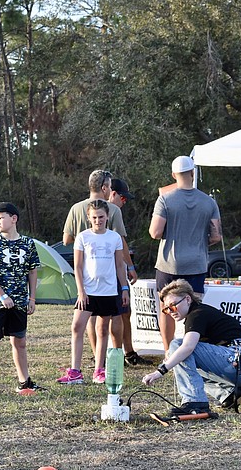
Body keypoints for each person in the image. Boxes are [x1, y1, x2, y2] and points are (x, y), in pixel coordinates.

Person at [142, 279, 241, 415]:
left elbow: (187, 347)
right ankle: (230, 394)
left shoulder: (197, 314)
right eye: (166, 309)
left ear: (187, 299)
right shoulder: (199, 313)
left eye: (173, 305)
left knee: (178, 345)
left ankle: (194, 402)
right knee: (183, 359)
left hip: (238, 362)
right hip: (240, 363)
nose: (170, 311)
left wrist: (159, 371)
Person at [63, 169, 132, 381]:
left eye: (101, 217)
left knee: (103, 327)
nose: (98, 220)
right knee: (79, 325)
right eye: (94, 217)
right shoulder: (83, 237)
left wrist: (124, 287)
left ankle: (100, 369)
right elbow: (76, 261)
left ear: (106, 217)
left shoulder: (113, 237)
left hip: (109, 288)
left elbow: (120, 263)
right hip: (88, 288)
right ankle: (75, 370)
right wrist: (81, 290)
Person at [149, 155, 222, 355]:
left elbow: (155, 232)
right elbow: (216, 236)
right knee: (195, 311)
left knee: (167, 309)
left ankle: (168, 352)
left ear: (173, 175)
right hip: (196, 264)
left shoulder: (165, 199)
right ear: (193, 173)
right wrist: (198, 240)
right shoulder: (208, 202)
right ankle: (193, 353)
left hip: (168, 264)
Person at [0, 202, 43, 396]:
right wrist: (2, 295)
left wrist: (32, 298)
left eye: (0, 217)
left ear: (14, 219)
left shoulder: (28, 244)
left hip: (21, 302)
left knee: (19, 341)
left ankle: (24, 382)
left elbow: (32, 271)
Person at [107, 178, 151, 367]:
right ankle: (118, 355)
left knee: (124, 312)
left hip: (109, 271)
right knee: (116, 313)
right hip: (112, 271)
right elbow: (121, 241)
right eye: (123, 198)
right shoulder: (112, 210)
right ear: (113, 193)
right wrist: (131, 267)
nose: (124, 203)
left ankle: (127, 352)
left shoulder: (97, 209)